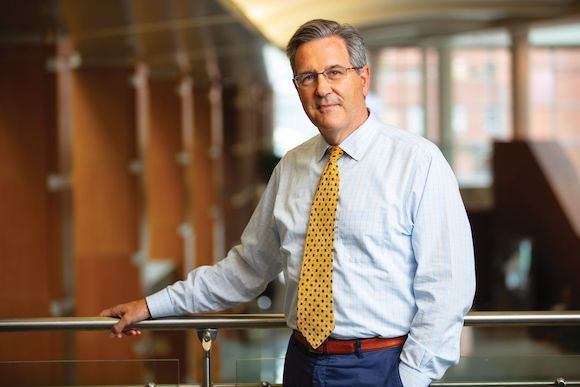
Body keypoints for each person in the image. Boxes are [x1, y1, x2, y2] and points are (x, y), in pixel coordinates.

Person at [100, 19, 475, 387]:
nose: (322, 88)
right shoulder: (291, 167)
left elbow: (447, 288)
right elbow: (245, 269)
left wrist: (408, 379)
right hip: (300, 364)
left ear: (363, 78)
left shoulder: (418, 163)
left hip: (380, 367)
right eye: (307, 77)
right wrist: (150, 307)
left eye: (334, 72)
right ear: (297, 88)